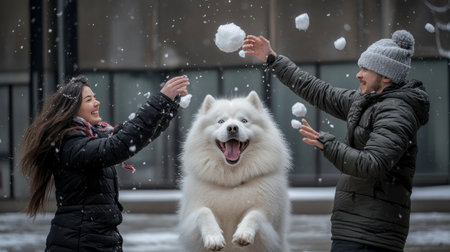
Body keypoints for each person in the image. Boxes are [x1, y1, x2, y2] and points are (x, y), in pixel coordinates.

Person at [243, 30, 429, 252]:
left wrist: (327, 144)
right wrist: (273, 59)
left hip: (372, 235)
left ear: (386, 76)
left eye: (366, 69)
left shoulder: (396, 112)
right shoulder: (369, 102)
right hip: (356, 228)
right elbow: (319, 91)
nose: (359, 75)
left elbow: (373, 164)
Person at [19, 75, 189, 252]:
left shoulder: (92, 136)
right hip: (80, 242)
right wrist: (161, 100)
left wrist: (169, 103)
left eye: (94, 97)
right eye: (88, 99)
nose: (97, 102)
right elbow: (120, 144)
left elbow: (138, 134)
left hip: (96, 239)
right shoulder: (70, 143)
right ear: (72, 109)